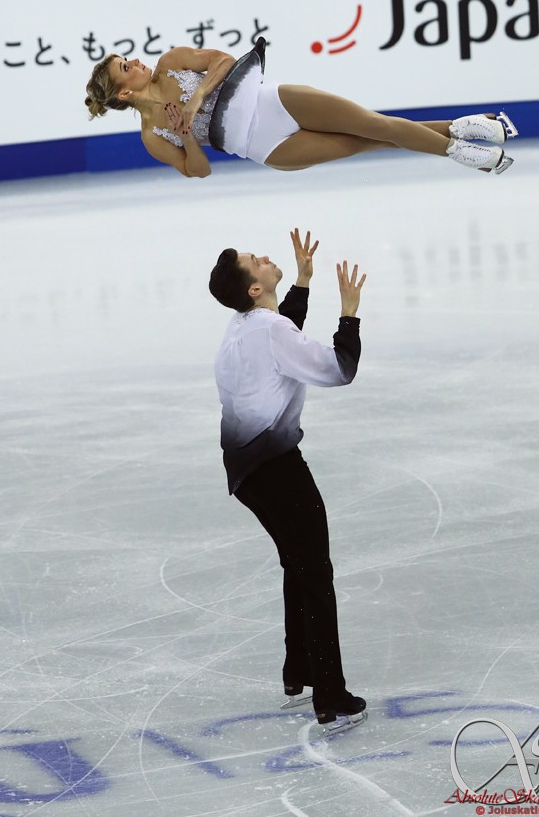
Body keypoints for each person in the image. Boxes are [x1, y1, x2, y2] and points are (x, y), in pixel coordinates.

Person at [209, 228, 367, 734]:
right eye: (255, 260)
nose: (263, 256)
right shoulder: (269, 329)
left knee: (297, 565)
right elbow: (339, 369)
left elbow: (281, 338)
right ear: (254, 288)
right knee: (315, 573)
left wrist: (301, 282)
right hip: (276, 467)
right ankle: (331, 695)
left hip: (246, 471)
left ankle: (299, 670)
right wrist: (349, 314)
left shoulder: (243, 325)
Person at [85, 38, 519, 179]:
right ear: (123, 94)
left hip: (274, 101)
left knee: (375, 125)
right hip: (265, 146)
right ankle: (464, 130)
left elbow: (222, 61)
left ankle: (461, 149)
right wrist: (185, 135)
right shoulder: (152, 135)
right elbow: (198, 171)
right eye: (126, 67)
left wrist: (197, 99)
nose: (136, 61)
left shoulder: (172, 61)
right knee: (368, 141)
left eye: (129, 58)